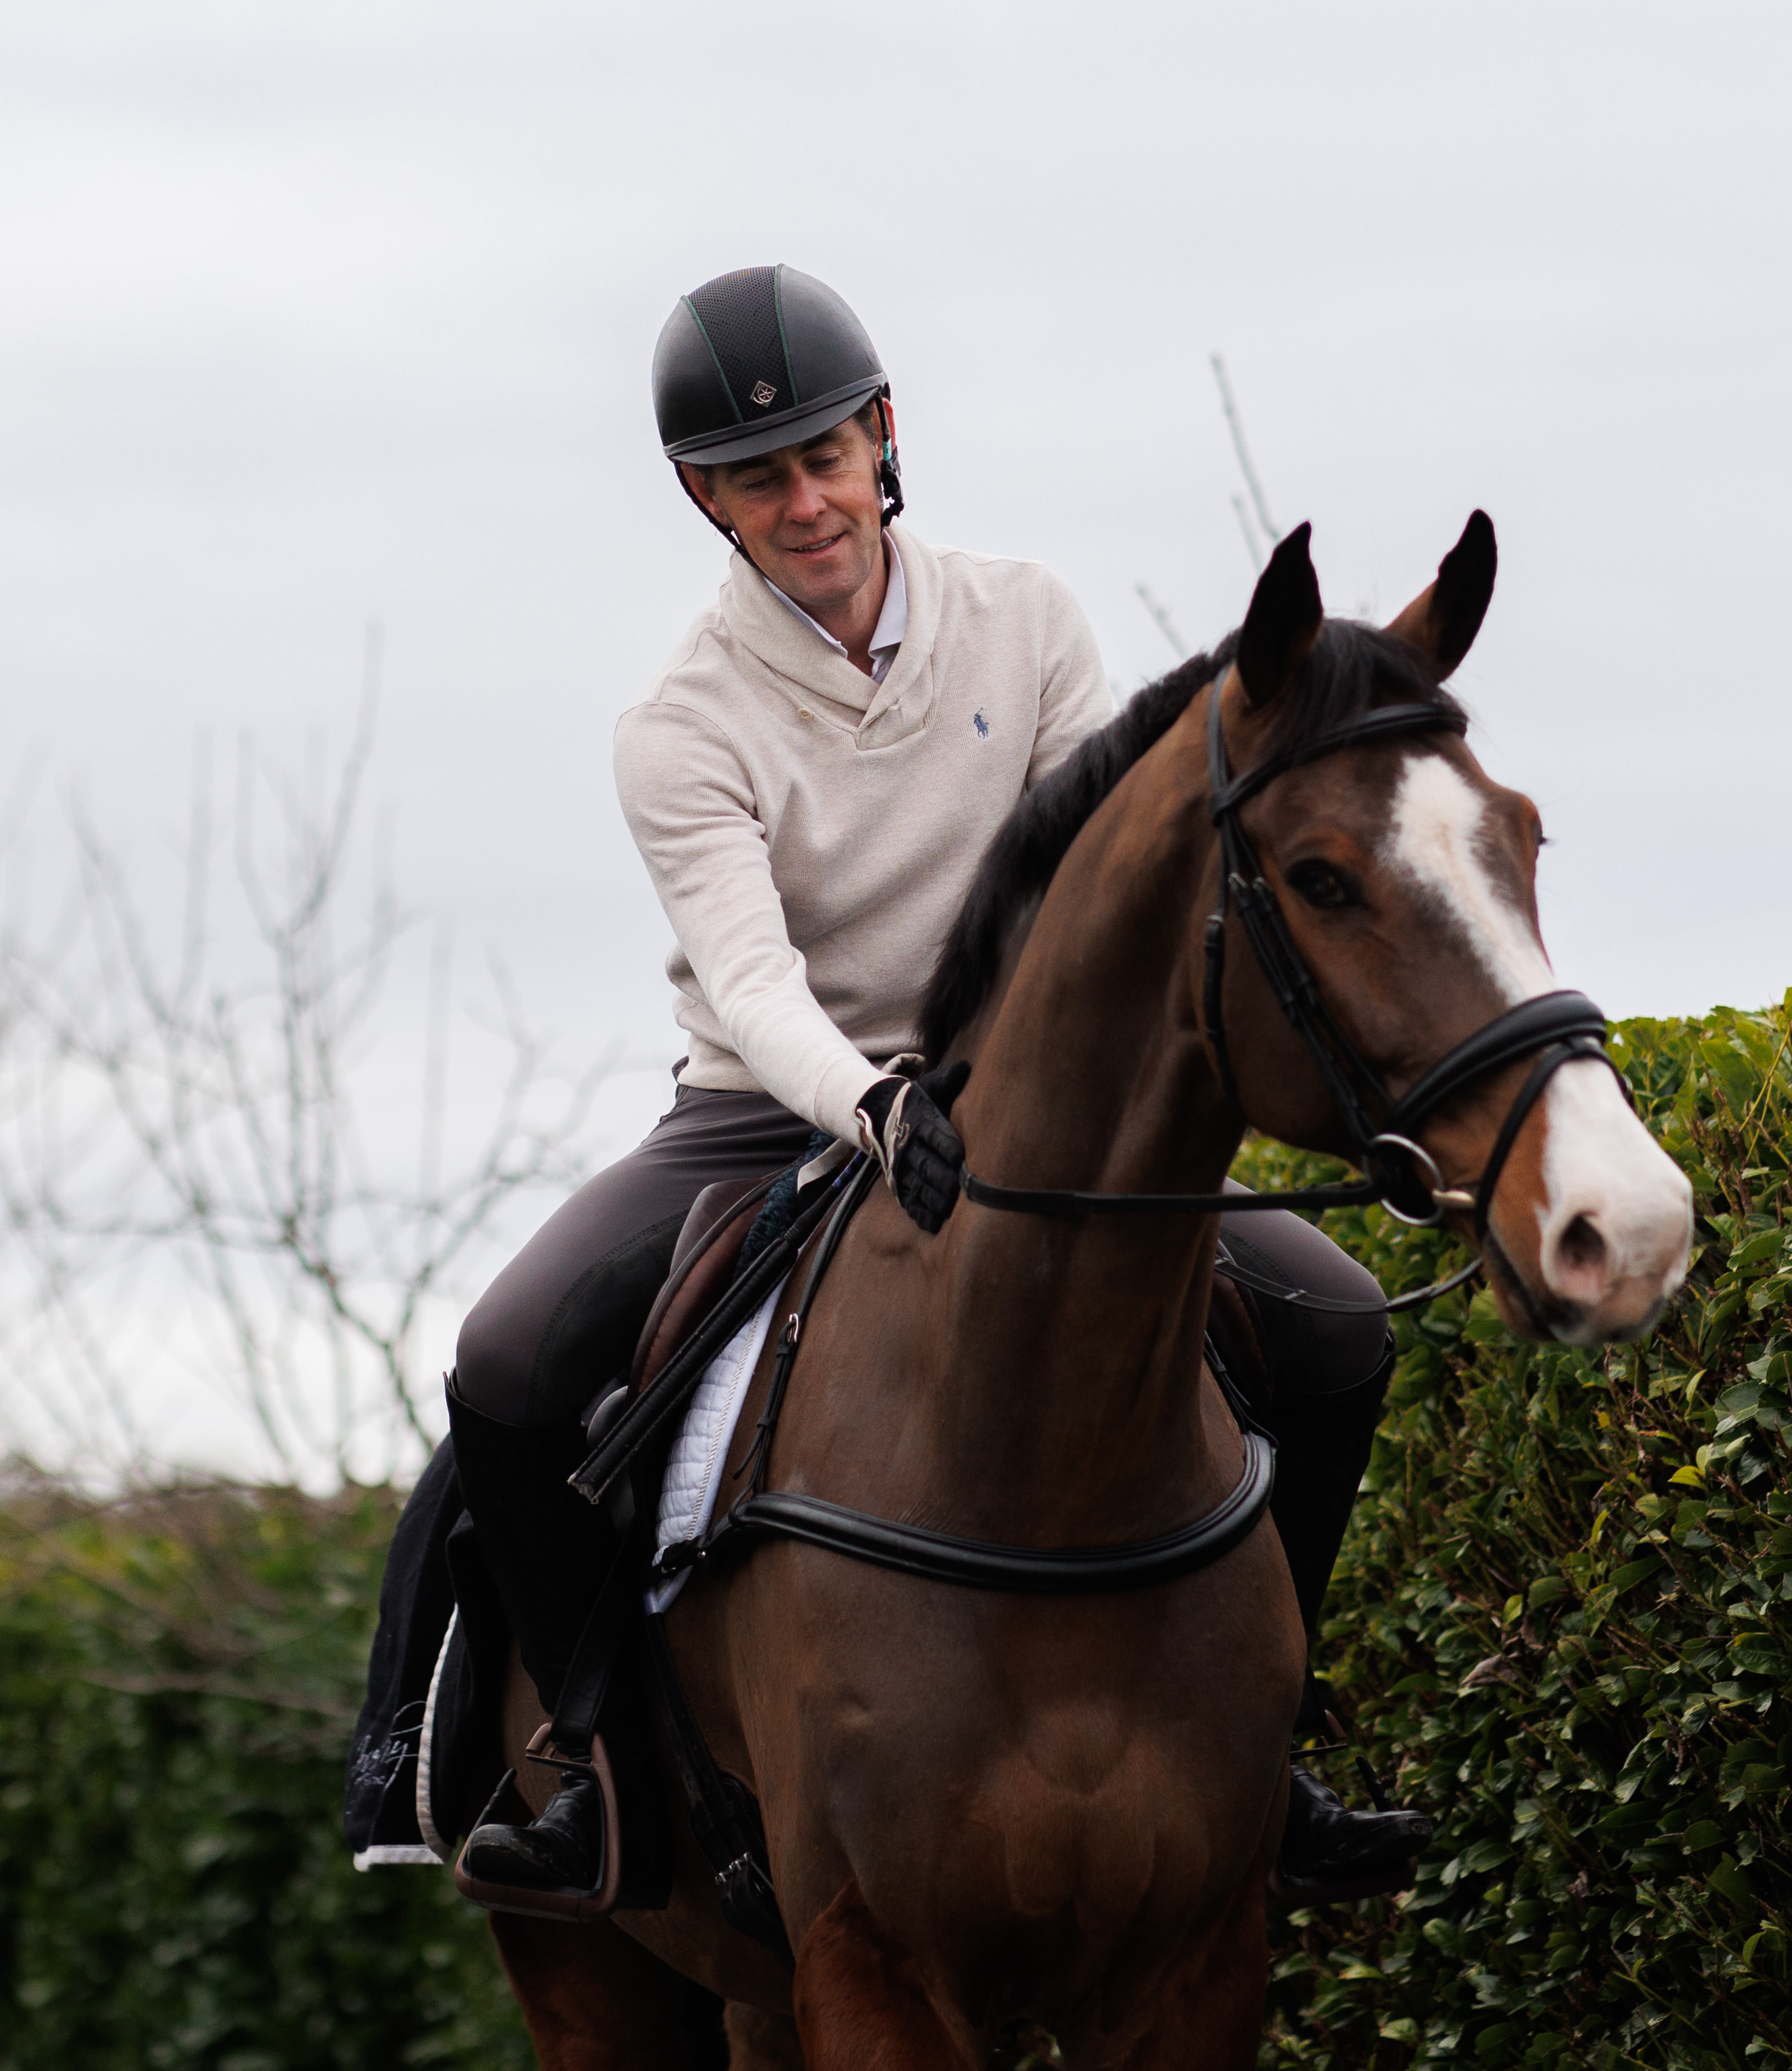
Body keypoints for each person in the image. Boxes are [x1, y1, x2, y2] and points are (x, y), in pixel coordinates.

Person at [445, 264, 1426, 1904]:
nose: (805, 499)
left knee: (1332, 1329)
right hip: (766, 1111)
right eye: (758, 477)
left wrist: (1035, 1084)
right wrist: (878, 1104)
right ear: (706, 499)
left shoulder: (1027, 617)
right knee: (507, 1365)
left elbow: (1080, 897)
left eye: (825, 454)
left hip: (1016, 1091)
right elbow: (753, 987)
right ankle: (598, 1777)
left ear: (883, 433)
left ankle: (1279, 1742)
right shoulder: (678, 723)